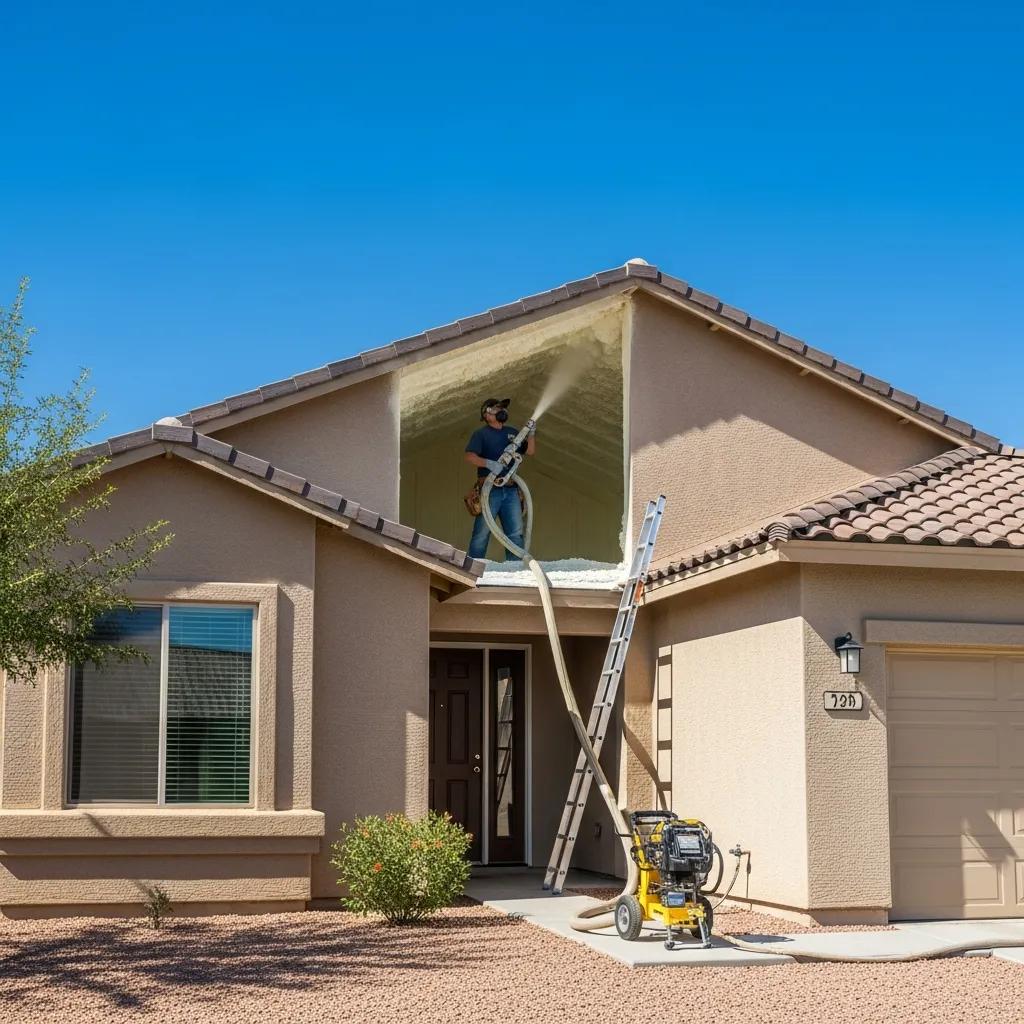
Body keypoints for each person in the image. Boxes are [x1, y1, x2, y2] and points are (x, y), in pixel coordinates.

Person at [464, 397, 536, 560]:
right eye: (497, 408)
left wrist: (531, 434)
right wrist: (488, 463)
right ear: (487, 414)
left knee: (515, 533)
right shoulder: (481, 434)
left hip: (511, 490)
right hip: (490, 490)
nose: (502, 411)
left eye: (502, 408)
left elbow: (530, 451)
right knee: (482, 533)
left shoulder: (512, 433)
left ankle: (515, 569)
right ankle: (474, 567)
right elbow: (469, 456)